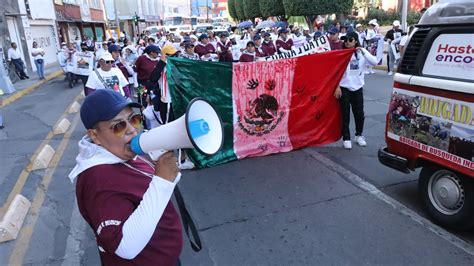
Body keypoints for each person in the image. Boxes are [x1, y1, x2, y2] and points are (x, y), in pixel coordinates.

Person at [68, 89, 183, 265]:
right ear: (95, 136)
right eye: (118, 126)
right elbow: (124, 246)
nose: (132, 130)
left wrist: (164, 173)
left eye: (134, 120)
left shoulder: (118, 154)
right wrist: (162, 182)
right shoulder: (98, 179)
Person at [333, 32, 378, 150]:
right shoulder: (341, 54)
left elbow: (374, 62)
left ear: (356, 41)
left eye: (350, 39)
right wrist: (337, 86)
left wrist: (362, 50)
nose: (347, 42)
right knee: (345, 114)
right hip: (344, 88)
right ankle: (346, 137)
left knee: (359, 114)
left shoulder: (362, 54)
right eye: (345, 40)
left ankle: (359, 135)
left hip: (357, 87)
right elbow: (336, 72)